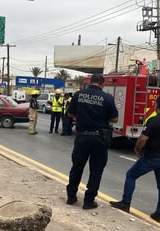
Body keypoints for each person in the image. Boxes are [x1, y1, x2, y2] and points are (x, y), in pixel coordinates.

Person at [109, 95, 160, 224]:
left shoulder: (153, 121)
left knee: (131, 175)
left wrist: (137, 150)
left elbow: (142, 139)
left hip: (152, 157)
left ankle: (125, 203)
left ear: (156, 106)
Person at [66, 74, 118, 210]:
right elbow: (115, 119)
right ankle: (89, 201)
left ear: (90, 82)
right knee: (96, 170)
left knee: (77, 167)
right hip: (99, 139)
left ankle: (71, 197)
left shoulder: (79, 94)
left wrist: (82, 117)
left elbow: (70, 114)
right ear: (102, 84)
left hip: (82, 137)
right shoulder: (107, 98)